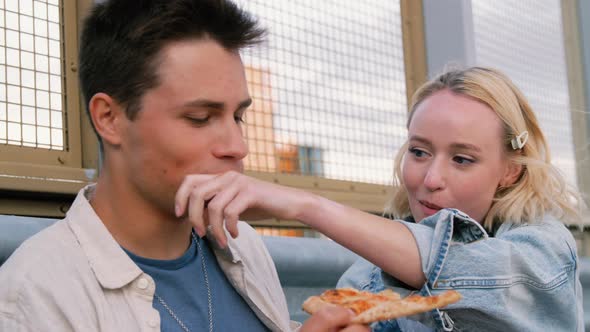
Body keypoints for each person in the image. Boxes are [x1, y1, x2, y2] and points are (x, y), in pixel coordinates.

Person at [0, 0, 369, 331]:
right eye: (199, 118)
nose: (237, 147)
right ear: (109, 118)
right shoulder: (37, 294)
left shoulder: (243, 247)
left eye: (238, 117)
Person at [176, 67, 584, 331]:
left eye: (462, 159)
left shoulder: (545, 251)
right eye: (420, 151)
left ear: (510, 170)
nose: (431, 178)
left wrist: (305, 205)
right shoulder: (366, 280)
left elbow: (465, 268)